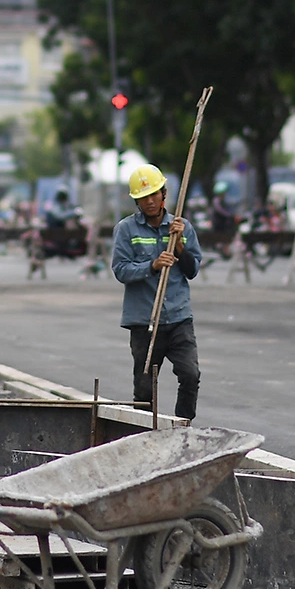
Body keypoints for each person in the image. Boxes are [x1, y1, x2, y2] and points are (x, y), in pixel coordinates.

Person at [112, 163, 203, 420]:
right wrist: (152, 266)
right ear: (136, 202)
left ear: (164, 194)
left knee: (190, 375)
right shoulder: (126, 229)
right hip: (144, 320)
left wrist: (180, 247)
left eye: (154, 194)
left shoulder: (181, 227)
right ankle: (143, 434)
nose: (149, 202)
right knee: (144, 389)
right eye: (143, 198)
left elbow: (192, 270)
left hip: (178, 317)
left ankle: (182, 426)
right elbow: (121, 270)